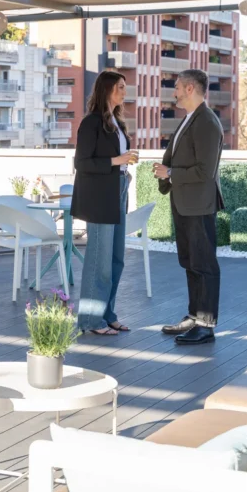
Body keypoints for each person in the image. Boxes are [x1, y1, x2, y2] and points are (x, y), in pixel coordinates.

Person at [153, 69, 224, 345]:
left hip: (199, 205)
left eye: (177, 87)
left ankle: (206, 325)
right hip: (185, 203)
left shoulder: (206, 121)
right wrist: (167, 173)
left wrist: (170, 174)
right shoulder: (191, 118)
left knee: (204, 265)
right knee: (191, 263)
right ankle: (195, 317)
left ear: (191, 88)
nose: (174, 92)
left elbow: (205, 171)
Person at [72, 71, 138, 336]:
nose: (124, 92)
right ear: (107, 89)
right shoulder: (91, 123)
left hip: (118, 190)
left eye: (124, 87)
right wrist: (116, 161)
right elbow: (82, 163)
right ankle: (91, 320)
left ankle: (108, 314)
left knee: (116, 260)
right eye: (120, 87)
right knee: (99, 262)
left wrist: (124, 163)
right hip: (100, 197)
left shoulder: (117, 123)